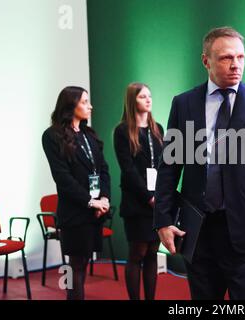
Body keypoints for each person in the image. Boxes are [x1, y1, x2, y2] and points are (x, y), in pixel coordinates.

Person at [153, 26, 245, 300]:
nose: (236, 65)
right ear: (206, 61)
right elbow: (169, 167)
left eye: (241, 57)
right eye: (227, 57)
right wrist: (163, 221)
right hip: (197, 232)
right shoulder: (184, 104)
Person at [42, 86, 111, 300]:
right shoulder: (52, 136)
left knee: (83, 264)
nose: (90, 106)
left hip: (95, 212)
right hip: (74, 213)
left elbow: (104, 170)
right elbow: (62, 179)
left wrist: (105, 199)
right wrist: (91, 202)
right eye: (84, 102)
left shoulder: (89, 135)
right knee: (74, 267)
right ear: (70, 105)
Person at [113, 83, 164, 300]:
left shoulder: (158, 128)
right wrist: (148, 196)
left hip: (158, 201)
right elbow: (128, 169)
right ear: (133, 100)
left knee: (153, 253)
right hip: (137, 203)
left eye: (150, 96)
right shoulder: (122, 130)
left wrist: (162, 195)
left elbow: (164, 165)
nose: (148, 100)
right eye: (143, 96)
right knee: (137, 254)